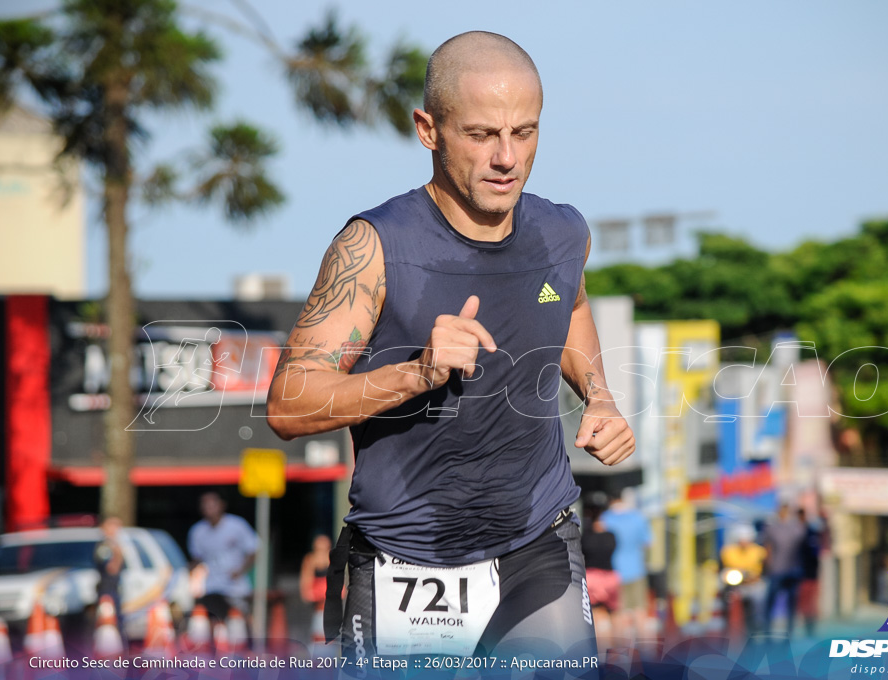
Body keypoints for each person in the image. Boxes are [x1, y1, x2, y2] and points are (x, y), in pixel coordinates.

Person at [266, 31, 634, 663]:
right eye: (482, 134)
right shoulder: (374, 247)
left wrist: (597, 395)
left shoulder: (562, 232)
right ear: (428, 130)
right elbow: (289, 405)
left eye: (525, 132)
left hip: (537, 541)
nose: (507, 157)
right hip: (406, 560)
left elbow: (568, 307)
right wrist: (418, 372)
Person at [187, 492, 260, 623]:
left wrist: (240, 570)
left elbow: (253, 550)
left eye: (212, 505)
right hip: (212, 584)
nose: (209, 508)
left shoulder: (237, 525)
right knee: (214, 618)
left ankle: (253, 641)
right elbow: (197, 559)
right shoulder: (197, 531)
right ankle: (216, 643)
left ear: (221, 505)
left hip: (235, 585)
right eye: (205, 505)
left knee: (244, 616)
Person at [599, 490, 652, 641]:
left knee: (619, 615)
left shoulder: (605, 519)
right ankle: (648, 656)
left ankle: (620, 658)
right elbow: (648, 542)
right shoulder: (638, 517)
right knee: (640, 613)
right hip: (637, 570)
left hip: (615, 571)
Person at [762, 503, 805, 636]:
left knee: (792, 602)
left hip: (793, 570)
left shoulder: (797, 527)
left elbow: (802, 547)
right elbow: (767, 547)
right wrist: (769, 566)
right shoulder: (772, 528)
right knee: (771, 601)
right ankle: (767, 629)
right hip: (776, 570)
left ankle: (790, 630)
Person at [581, 507, 620, 651]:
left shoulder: (586, 537)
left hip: (592, 578)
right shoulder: (611, 536)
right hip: (611, 578)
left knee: (595, 616)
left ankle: (601, 653)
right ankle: (616, 651)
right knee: (614, 615)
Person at [719, 524, 767, 636]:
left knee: (759, 599)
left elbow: (765, 569)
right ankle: (727, 623)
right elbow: (722, 568)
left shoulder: (759, 551)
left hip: (753, 583)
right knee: (726, 598)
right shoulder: (728, 552)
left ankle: (758, 625)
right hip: (735, 584)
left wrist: (756, 577)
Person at [93, 515, 125, 634]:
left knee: (118, 623)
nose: (116, 529)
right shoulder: (104, 547)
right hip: (107, 591)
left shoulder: (114, 545)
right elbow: (112, 568)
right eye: (112, 525)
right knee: (109, 626)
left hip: (115, 589)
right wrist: (118, 553)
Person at [796, 508, 823, 637]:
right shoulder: (796, 533)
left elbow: (814, 555)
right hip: (798, 575)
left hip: (809, 576)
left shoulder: (810, 533)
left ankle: (810, 630)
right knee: (801, 605)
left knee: (810, 605)